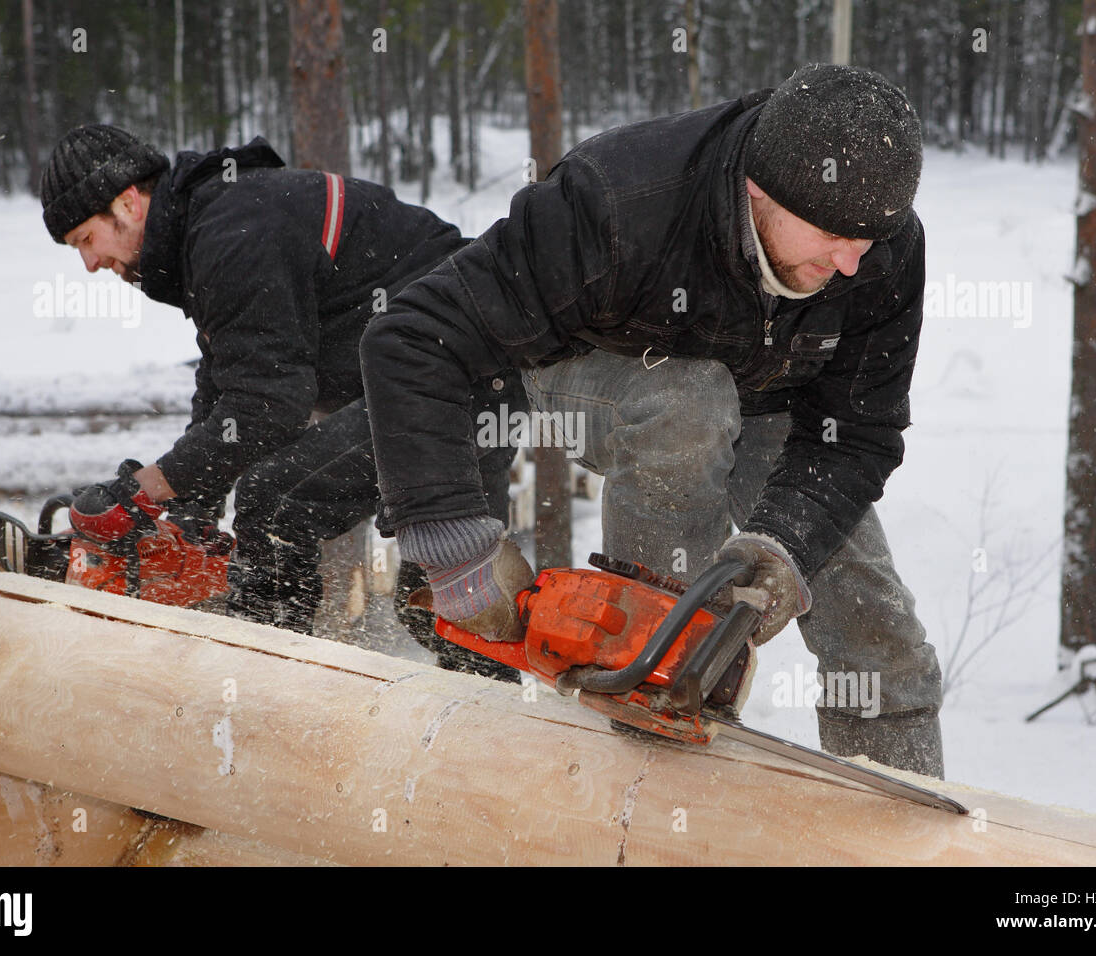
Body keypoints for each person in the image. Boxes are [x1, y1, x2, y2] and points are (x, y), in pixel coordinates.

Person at [360, 64, 946, 776]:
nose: (853, 264)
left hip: (766, 400)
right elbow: (413, 336)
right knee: (686, 405)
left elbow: (857, 431)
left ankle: (895, 825)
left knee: (875, 624)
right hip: (586, 367)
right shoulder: (618, 200)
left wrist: (784, 544)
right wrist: (454, 542)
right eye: (833, 237)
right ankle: (655, 704)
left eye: (870, 242)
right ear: (759, 192)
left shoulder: (880, 248)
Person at [38, 124, 522, 670]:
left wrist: (145, 488)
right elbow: (227, 381)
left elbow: (269, 405)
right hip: (457, 373)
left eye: (85, 240)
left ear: (127, 202)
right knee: (444, 607)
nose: (89, 263)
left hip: (456, 375)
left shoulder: (233, 231)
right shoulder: (213, 221)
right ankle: (504, 710)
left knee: (277, 501)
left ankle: (264, 677)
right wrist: (186, 499)